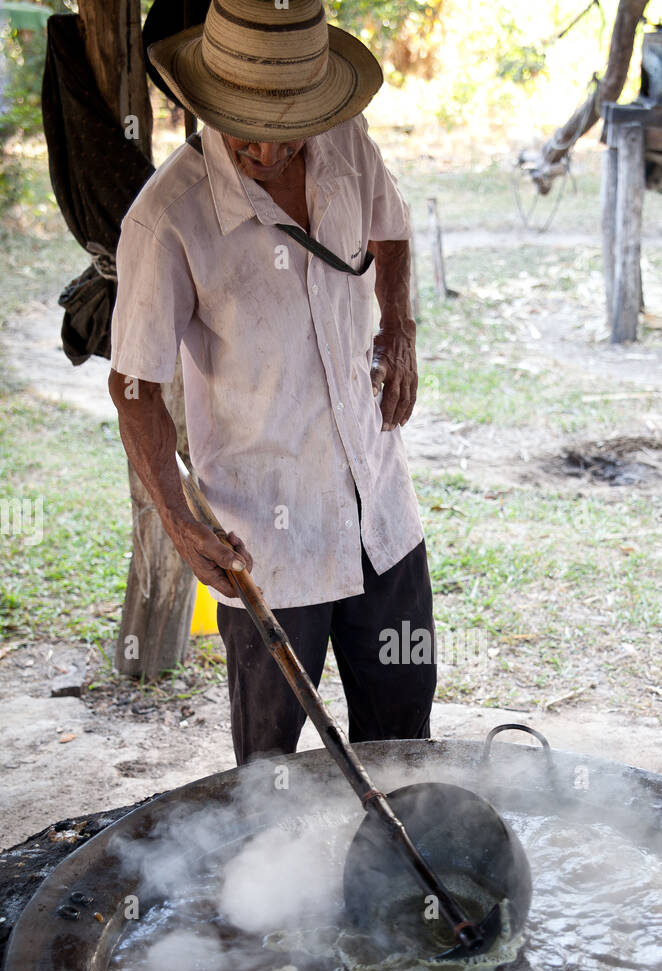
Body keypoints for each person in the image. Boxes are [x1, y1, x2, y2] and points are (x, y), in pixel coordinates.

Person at [108, 0, 435, 763]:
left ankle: (397, 883)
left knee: (406, 748)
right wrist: (179, 520)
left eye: (284, 123)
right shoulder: (167, 220)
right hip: (269, 549)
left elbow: (392, 226)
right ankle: (283, 889)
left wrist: (399, 325)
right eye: (243, 122)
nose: (264, 146)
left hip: (381, 516)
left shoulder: (347, 143)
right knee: (272, 780)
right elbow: (134, 389)